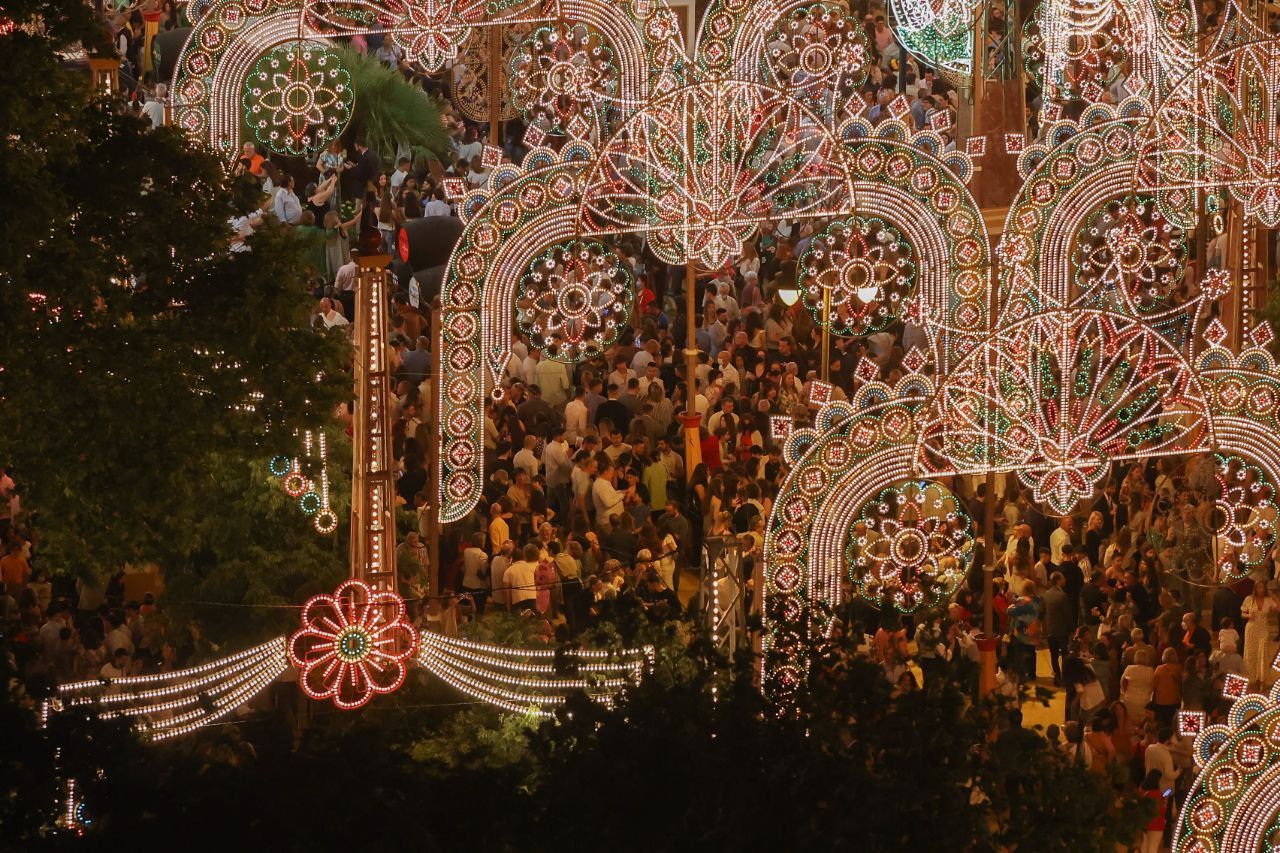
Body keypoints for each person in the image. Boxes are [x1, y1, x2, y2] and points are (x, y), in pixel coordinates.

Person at [1241, 579, 1279, 685]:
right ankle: (1252, 677)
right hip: (1251, 628)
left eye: (1263, 587)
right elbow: (1242, 613)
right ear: (1255, 588)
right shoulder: (1249, 599)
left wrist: (1275, 597)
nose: (1261, 590)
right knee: (1251, 652)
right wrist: (1249, 615)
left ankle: (1262, 677)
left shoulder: (1268, 599)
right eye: (1259, 587)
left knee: (1262, 650)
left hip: (1264, 628)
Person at [1120, 648, 1155, 724]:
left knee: (1130, 721)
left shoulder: (1129, 668)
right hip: (1145, 699)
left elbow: (1122, 683)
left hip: (1130, 698)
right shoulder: (1150, 670)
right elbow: (1153, 686)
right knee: (1143, 722)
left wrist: (1124, 693)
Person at [504, 544, 540, 613]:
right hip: (532, 598)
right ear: (523, 557)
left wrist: (508, 606)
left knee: (520, 622)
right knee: (533, 621)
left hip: (518, 601)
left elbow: (507, 591)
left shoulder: (508, 571)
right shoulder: (531, 567)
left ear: (511, 558)